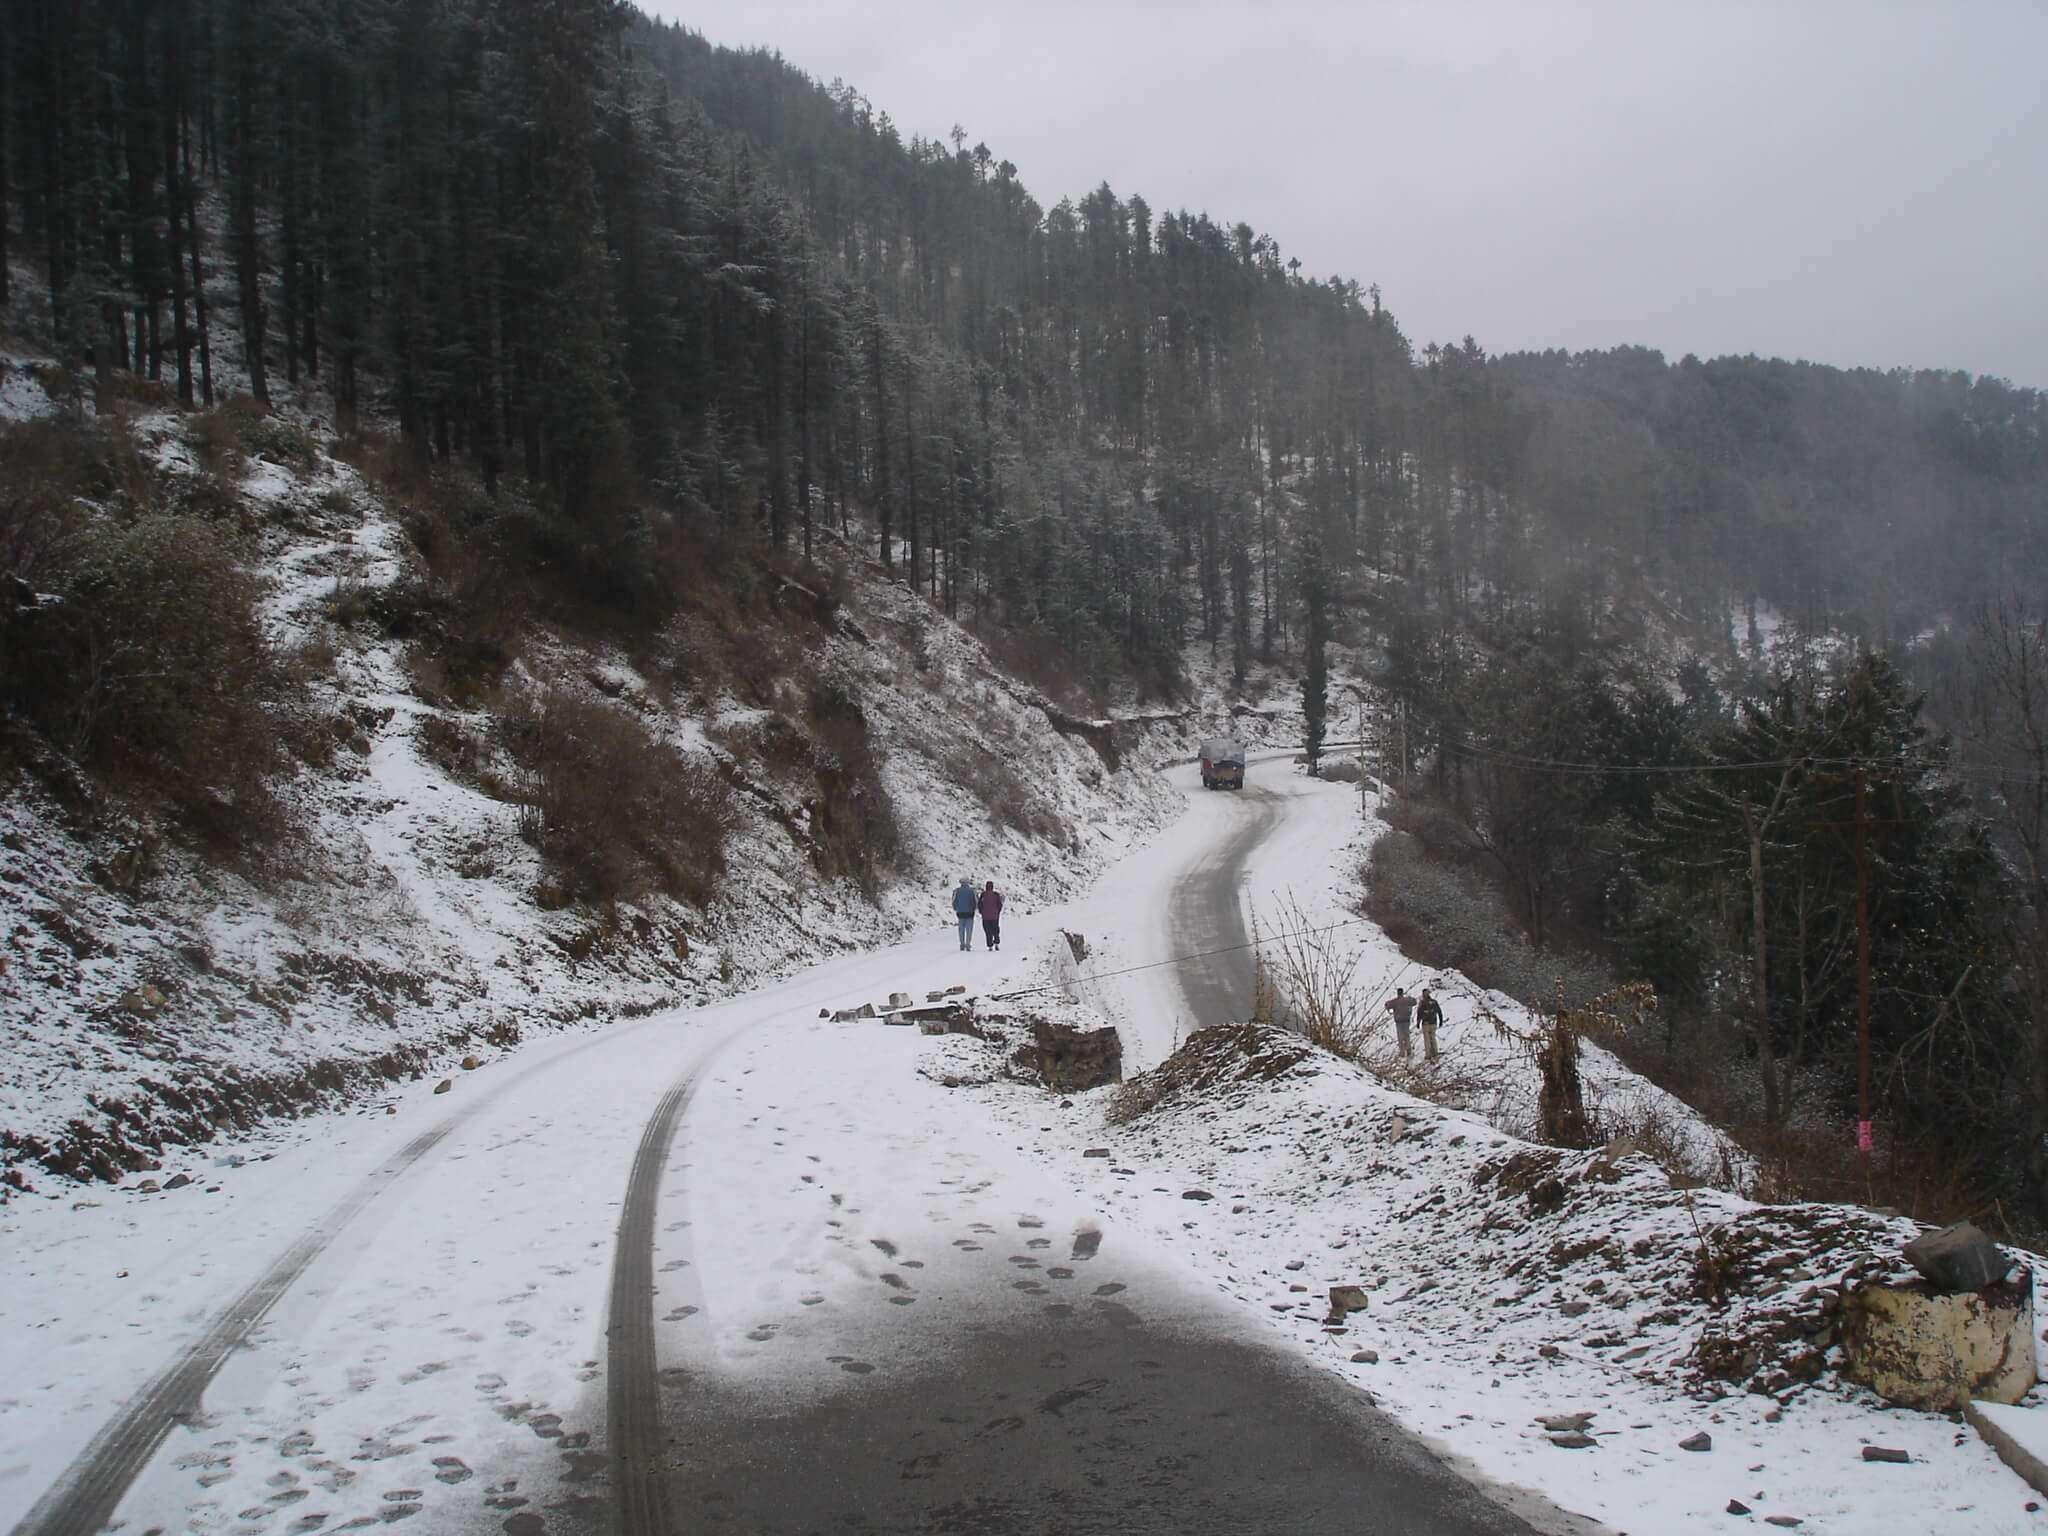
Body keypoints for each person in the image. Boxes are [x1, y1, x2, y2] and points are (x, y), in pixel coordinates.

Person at [1384, 986, 1417, 1059]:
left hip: (1399, 1021)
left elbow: (1387, 1005)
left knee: (1400, 1037)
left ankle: (1402, 1052)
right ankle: (1409, 1051)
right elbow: (1415, 1002)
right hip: (1406, 1020)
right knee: (1407, 1036)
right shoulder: (1407, 1000)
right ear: (1403, 992)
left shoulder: (1395, 1001)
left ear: (1397, 993)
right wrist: (1410, 998)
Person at [1416, 987, 1443, 1062]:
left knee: (1427, 1039)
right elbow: (1439, 1012)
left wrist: (1418, 1022)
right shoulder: (1434, 1002)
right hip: (1433, 1022)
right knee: (1433, 1038)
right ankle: (1435, 1052)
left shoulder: (1422, 1002)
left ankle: (1428, 1055)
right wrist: (1441, 1021)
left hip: (1425, 1023)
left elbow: (1419, 1013)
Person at [952, 877, 978, 951]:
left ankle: (962, 943)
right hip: (970, 912)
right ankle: (968, 943)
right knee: (969, 929)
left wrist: (955, 908)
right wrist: (975, 908)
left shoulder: (956, 891)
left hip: (960, 912)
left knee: (961, 929)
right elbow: (976, 901)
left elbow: (954, 901)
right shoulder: (972, 891)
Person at [977, 880, 1004, 951]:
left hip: (985, 916)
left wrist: (981, 912)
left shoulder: (983, 894)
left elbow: (979, 904)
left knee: (988, 931)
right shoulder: (996, 894)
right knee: (996, 930)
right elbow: (999, 905)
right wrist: (997, 912)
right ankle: (997, 943)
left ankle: (990, 945)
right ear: (992, 887)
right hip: (995, 916)